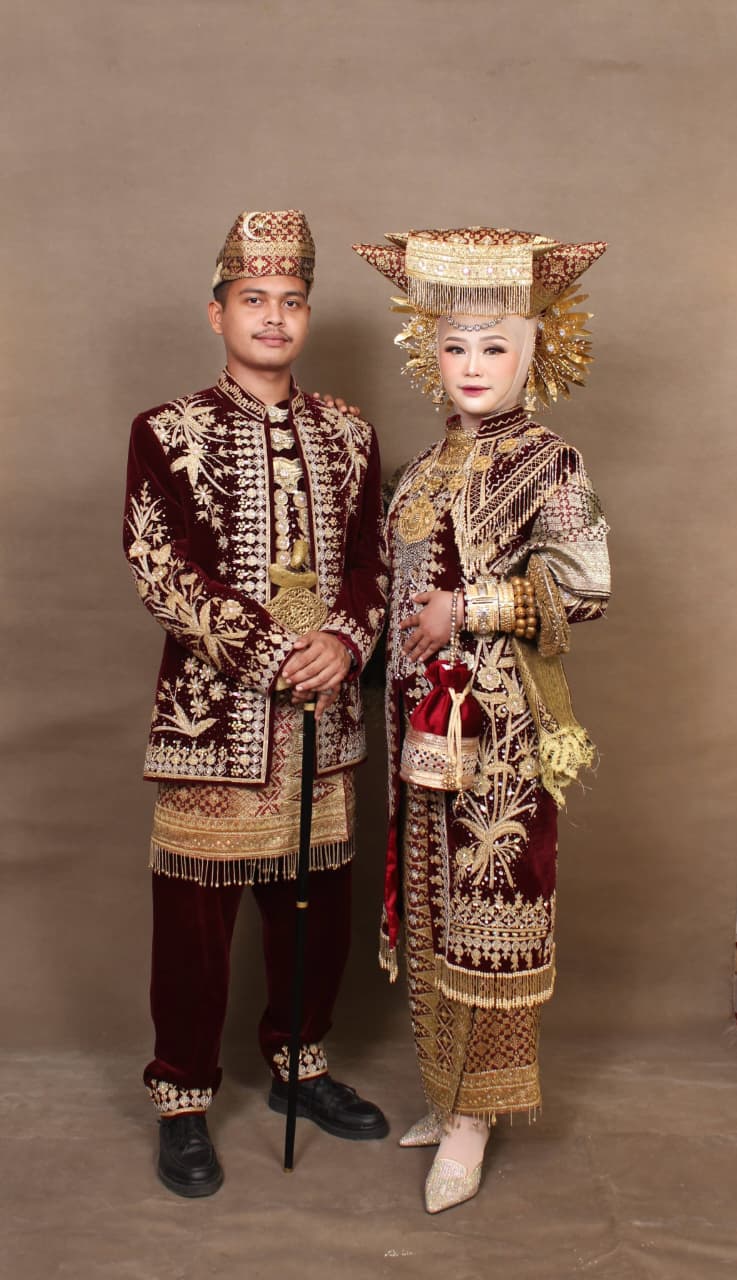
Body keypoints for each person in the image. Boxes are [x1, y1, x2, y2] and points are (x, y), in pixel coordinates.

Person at [123, 209, 388, 1197]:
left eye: (291, 301)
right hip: (211, 719)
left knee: (311, 911)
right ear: (217, 312)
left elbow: (372, 562)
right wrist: (275, 651)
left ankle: (299, 1064)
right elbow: (160, 567)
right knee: (194, 925)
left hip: (326, 719)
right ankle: (183, 1096)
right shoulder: (166, 431)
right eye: (253, 299)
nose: (274, 316)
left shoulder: (349, 433)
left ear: (306, 315)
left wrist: (345, 641)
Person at [353, 226, 611, 1213]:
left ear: (532, 352)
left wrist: (470, 607)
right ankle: (445, 1091)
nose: (471, 364)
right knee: (428, 903)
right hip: (419, 728)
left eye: (494, 345)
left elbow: (584, 586)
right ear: (429, 349)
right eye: (454, 344)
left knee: (489, 914)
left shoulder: (549, 461)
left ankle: (474, 1120)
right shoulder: (424, 466)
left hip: (500, 734)